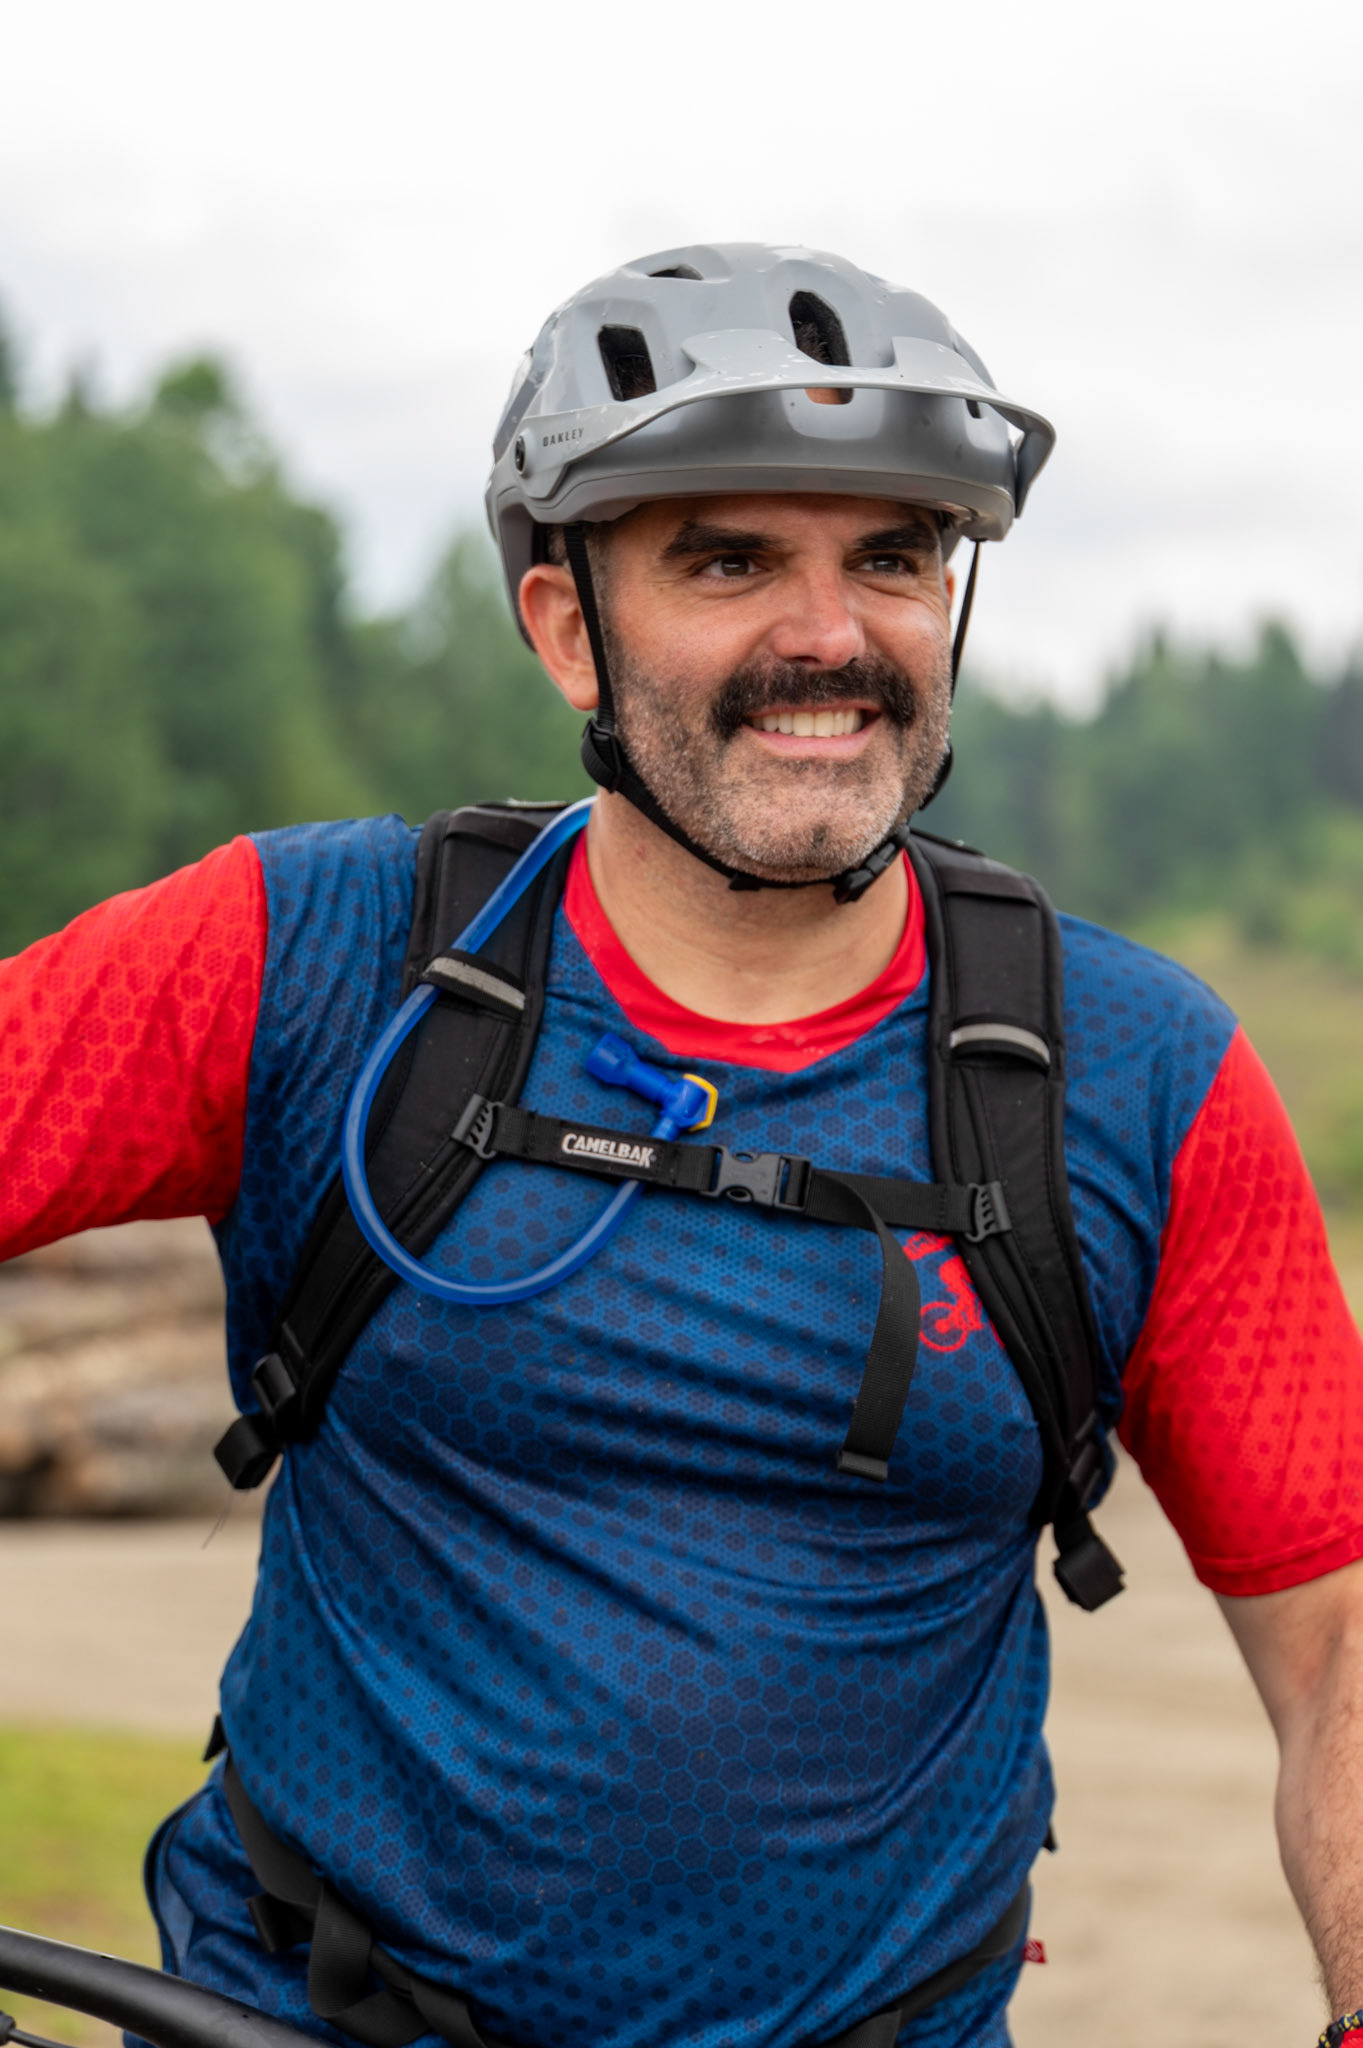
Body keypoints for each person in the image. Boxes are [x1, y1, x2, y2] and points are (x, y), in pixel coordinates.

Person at [2, 242, 1362, 2048]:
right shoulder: (304, 959)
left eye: (895, 558)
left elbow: (1341, 1649)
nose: (831, 635)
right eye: (730, 561)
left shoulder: (1135, 1073)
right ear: (567, 623)